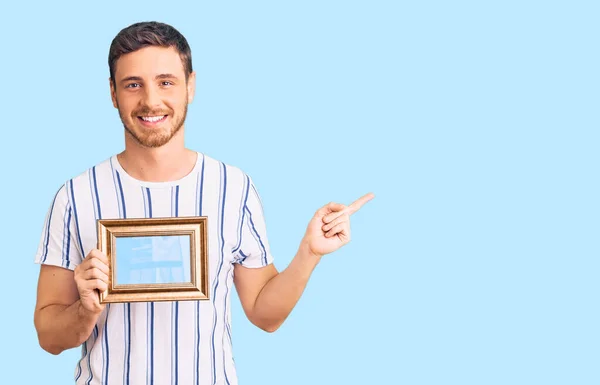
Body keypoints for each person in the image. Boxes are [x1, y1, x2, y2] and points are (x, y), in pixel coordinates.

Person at [33, 21, 374, 385]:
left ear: (190, 86)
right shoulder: (76, 196)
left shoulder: (233, 187)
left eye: (166, 82)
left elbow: (264, 314)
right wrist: (85, 309)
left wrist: (309, 253)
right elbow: (48, 338)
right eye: (133, 85)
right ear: (113, 93)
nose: (151, 100)